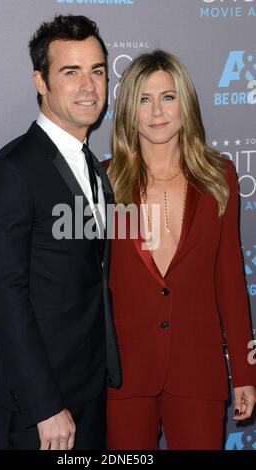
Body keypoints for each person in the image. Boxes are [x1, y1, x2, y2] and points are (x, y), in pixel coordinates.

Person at [0, 14, 121, 451]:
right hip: (40, 407)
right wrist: (44, 406)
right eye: (70, 71)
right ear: (41, 81)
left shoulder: (95, 167)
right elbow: (6, 295)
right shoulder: (12, 171)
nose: (89, 85)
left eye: (97, 71)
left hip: (90, 390)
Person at [106, 49, 256, 450]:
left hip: (197, 368)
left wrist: (244, 372)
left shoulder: (218, 177)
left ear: (185, 104)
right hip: (123, 372)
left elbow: (229, 279)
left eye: (168, 97)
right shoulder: (104, 182)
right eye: (144, 98)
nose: (157, 111)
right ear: (127, 110)